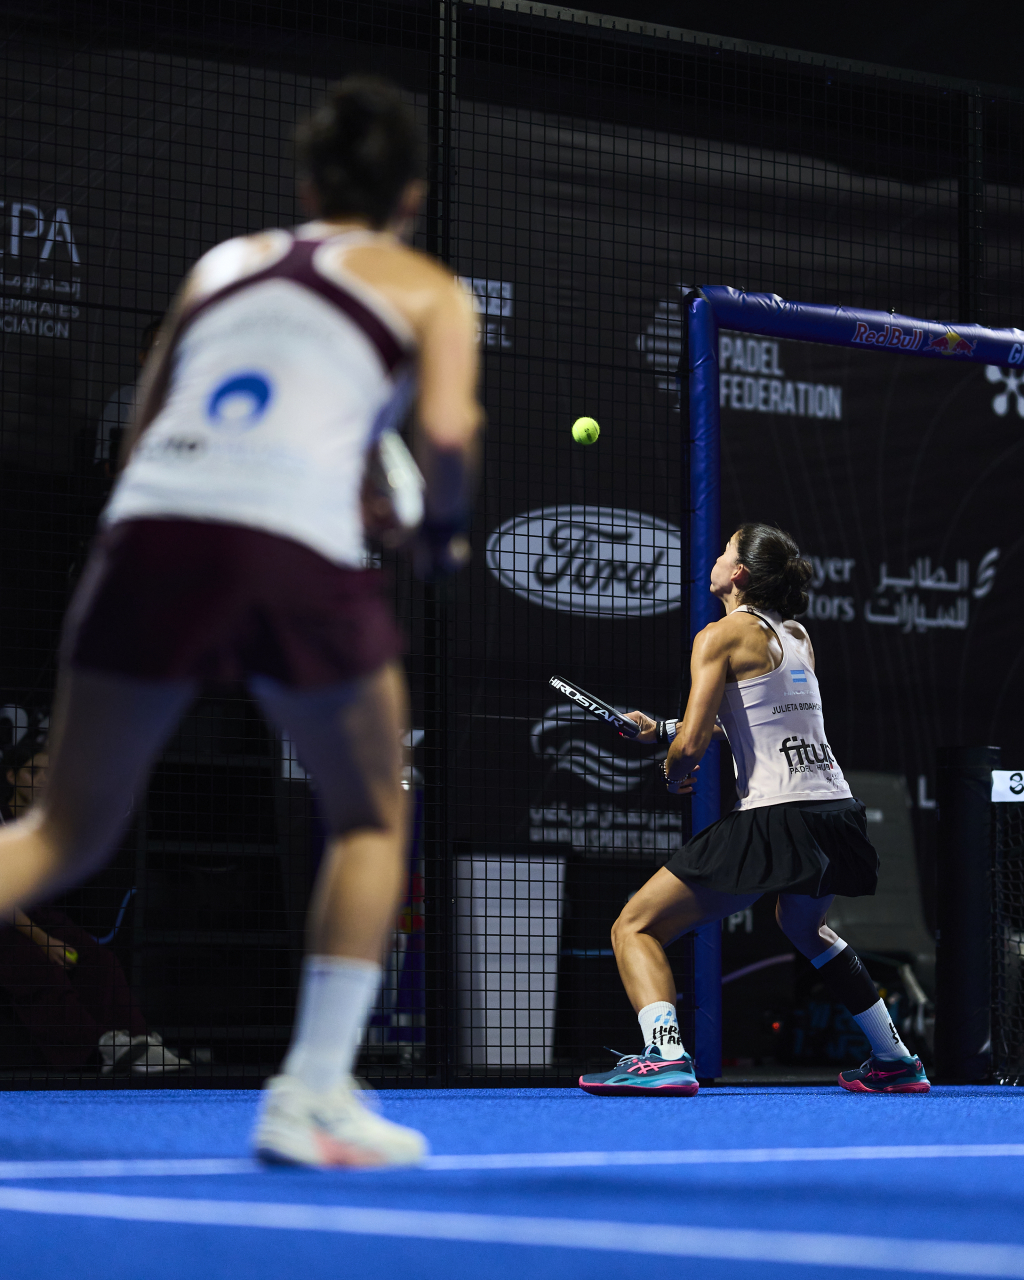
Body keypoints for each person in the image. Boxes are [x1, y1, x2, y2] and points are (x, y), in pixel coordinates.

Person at [0, 77, 482, 1164]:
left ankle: (312, 1095)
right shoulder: (426, 288)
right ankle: (310, 1093)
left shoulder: (224, 265)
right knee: (371, 811)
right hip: (288, 548)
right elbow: (446, 442)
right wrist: (437, 535)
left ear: (307, 182)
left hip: (147, 536)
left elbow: (148, 431)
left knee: (55, 835)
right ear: (407, 195)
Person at [579, 523, 930, 1097]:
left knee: (633, 926)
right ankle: (895, 1057)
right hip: (834, 812)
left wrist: (672, 765)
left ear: (737, 574)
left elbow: (691, 750)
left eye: (723, 552)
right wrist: (662, 729)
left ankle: (664, 1055)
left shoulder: (716, 636)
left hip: (777, 815)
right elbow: (747, 719)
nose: (714, 559)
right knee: (804, 924)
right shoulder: (796, 636)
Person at [0, 729, 190, 1075]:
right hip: (6, 921)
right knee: (34, 962)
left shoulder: (44, 825)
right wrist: (42, 941)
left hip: (37, 915)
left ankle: (137, 1044)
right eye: (33, 772)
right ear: (13, 776)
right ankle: (92, 1055)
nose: (42, 780)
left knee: (99, 960)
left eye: (48, 772)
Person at [94, 320, 161, 475]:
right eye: (159, 348)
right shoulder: (122, 401)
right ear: (143, 357)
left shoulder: (195, 399)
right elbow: (104, 464)